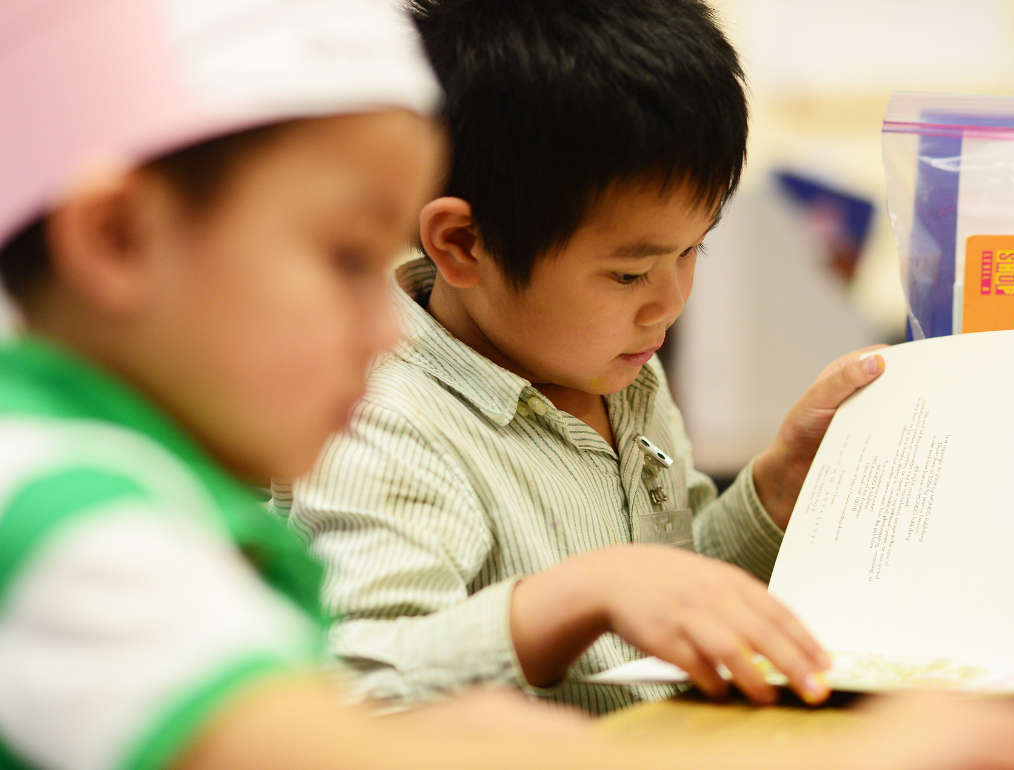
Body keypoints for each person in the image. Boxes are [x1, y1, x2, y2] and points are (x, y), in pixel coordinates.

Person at [273, 0, 964, 719]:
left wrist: (774, 487)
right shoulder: (379, 427)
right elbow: (358, 694)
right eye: (630, 274)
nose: (669, 302)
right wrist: (574, 598)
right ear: (463, 243)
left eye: (693, 249)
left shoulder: (616, 368)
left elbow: (673, 596)